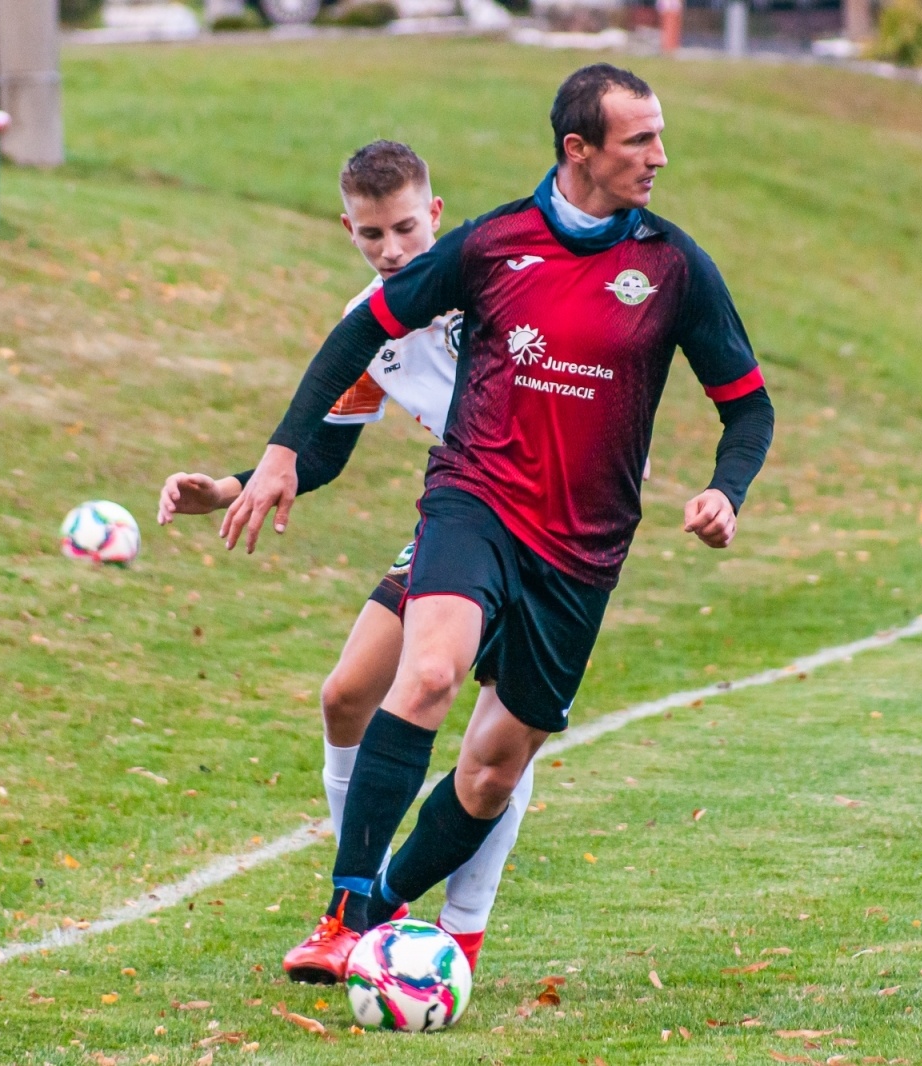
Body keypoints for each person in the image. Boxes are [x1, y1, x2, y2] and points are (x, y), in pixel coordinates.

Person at [223, 63, 775, 983]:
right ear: (580, 148)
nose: (659, 157)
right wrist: (280, 453)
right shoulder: (492, 244)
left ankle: (387, 909)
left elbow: (748, 407)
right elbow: (362, 329)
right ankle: (344, 912)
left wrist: (728, 490)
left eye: (658, 136)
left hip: (585, 547)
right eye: (640, 140)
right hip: (474, 498)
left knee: (489, 773)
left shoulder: (676, 267)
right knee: (428, 670)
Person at [157, 140, 534, 976]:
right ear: (348, 229)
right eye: (372, 235)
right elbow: (321, 449)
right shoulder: (369, 320)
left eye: (405, 227)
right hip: (458, 516)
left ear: (435, 214)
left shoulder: (497, 285)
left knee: (495, 740)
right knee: (345, 695)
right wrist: (226, 487)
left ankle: (458, 929)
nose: (393, 249)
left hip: (543, 531)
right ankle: (355, 907)